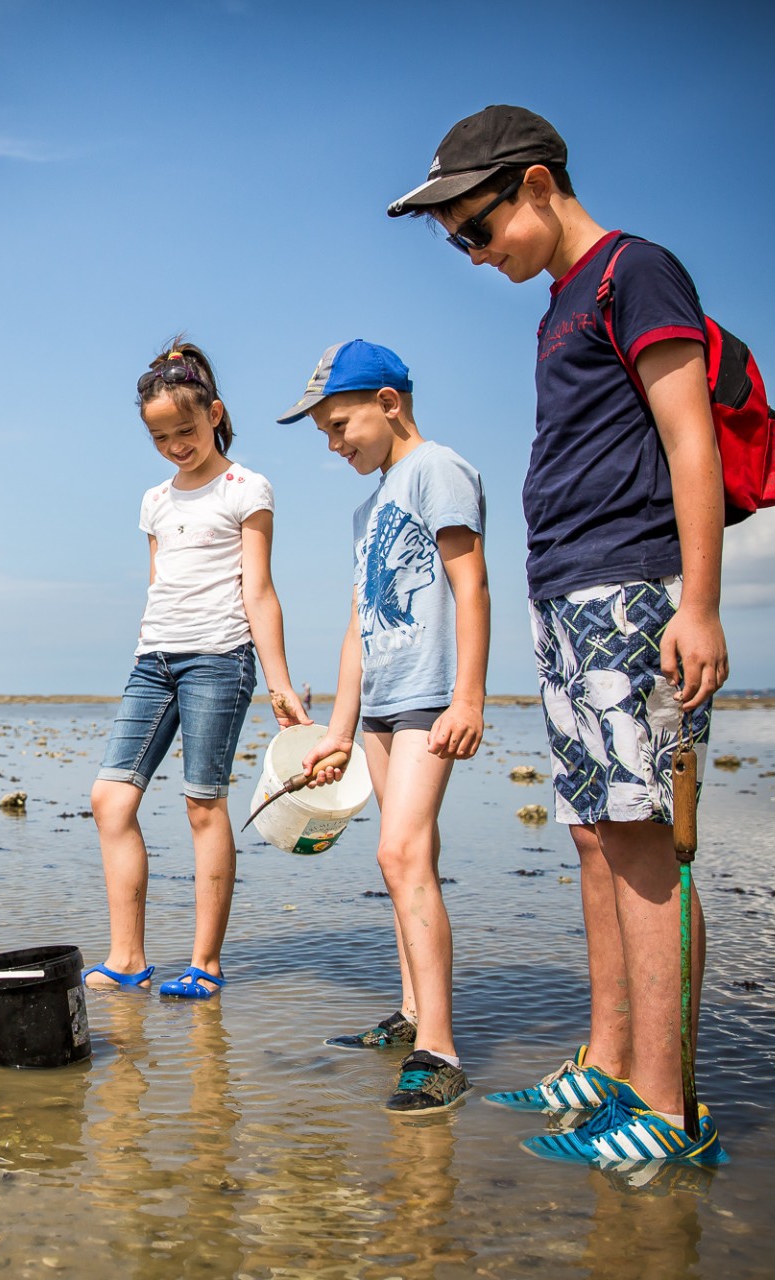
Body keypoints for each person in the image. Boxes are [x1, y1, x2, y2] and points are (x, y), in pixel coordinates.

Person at [389, 106, 728, 1165]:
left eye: (477, 230)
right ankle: (610, 1061)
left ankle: (666, 1113)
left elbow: (691, 439)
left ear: (537, 184)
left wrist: (701, 603)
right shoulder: (556, 307)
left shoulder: (638, 273)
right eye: (458, 242)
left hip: (635, 588)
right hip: (568, 596)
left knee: (646, 844)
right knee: (592, 832)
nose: (474, 254)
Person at [279, 339, 489, 1112]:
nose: (335, 445)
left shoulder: (439, 471)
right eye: (326, 434)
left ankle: (441, 1049)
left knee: (405, 852)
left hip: (431, 692)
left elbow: (471, 584)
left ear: (388, 404)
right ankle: (410, 1015)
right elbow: (357, 624)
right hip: (381, 700)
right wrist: (339, 728)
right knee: (397, 855)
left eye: (341, 426)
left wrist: (469, 698)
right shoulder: (370, 506)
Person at [87, 340, 308, 1000]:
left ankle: (204, 963)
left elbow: (259, 590)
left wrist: (280, 683)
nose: (176, 446)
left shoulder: (247, 488)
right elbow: (161, 586)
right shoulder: (155, 500)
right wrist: (145, 649)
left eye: (184, 431)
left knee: (202, 804)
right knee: (110, 800)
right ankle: (127, 957)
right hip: (153, 661)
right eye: (160, 437)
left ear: (214, 414)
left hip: (221, 658)